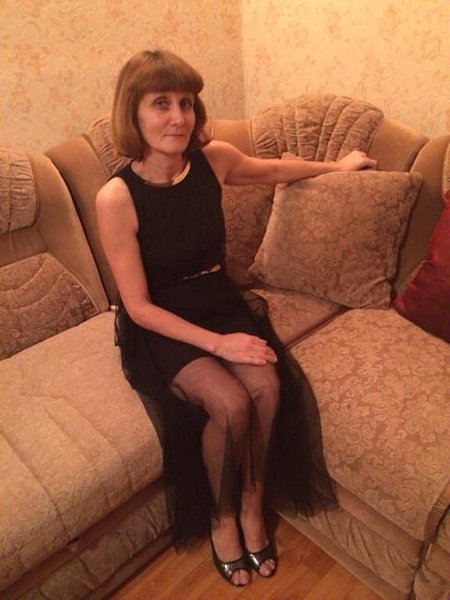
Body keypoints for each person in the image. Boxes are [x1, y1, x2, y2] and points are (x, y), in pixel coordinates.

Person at [96, 49, 377, 587]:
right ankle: (222, 518)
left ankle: (252, 505)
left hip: (216, 298)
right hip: (161, 319)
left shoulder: (213, 159)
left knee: (267, 387)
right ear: (132, 112)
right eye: (161, 103)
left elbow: (274, 170)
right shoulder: (116, 197)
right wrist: (220, 345)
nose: (178, 117)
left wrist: (337, 167)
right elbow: (139, 307)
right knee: (229, 403)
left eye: (186, 103)